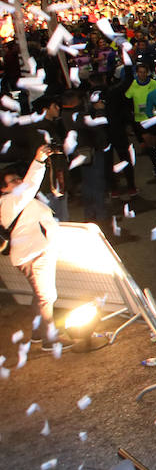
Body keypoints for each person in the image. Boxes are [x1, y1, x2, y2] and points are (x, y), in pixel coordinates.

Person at [1, 144, 60, 345]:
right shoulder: (10, 202)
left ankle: (38, 333)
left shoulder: (11, 201)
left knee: (39, 296)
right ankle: (50, 340)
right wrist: (39, 160)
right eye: (13, 181)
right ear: (3, 189)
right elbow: (31, 183)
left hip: (31, 253)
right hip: (34, 254)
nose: (19, 182)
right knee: (47, 296)